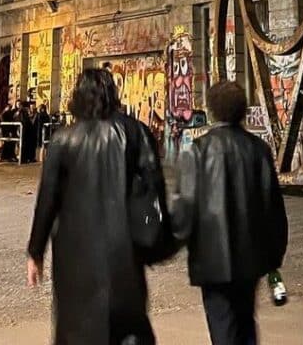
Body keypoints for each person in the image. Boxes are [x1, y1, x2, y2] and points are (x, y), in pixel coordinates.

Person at [28, 68, 171, 345]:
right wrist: (157, 239)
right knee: (129, 327)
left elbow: (47, 200)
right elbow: (155, 190)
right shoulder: (136, 132)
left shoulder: (63, 139)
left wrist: (35, 251)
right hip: (124, 250)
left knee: (78, 329)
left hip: (74, 255)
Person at [172, 81, 288, 345]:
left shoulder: (197, 151)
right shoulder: (258, 149)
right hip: (251, 257)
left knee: (222, 326)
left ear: (212, 110)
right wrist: (274, 256)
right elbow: (273, 207)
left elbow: (184, 207)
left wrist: (168, 243)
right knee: (246, 321)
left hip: (211, 259)